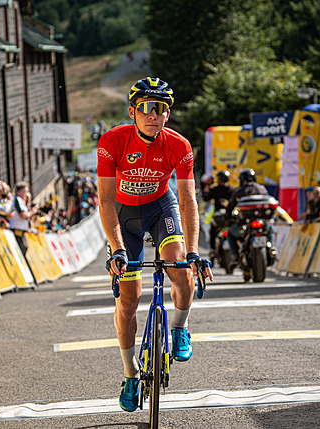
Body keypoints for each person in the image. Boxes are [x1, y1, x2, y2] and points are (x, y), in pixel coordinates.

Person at [97, 77, 213, 413]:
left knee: (181, 272)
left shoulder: (179, 145)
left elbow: (189, 200)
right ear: (133, 111)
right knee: (128, 301)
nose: (153, 114)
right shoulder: (112, 141)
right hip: (124, 215)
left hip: (161, 207)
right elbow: (104, 200)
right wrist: (117, 248)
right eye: (147, 108)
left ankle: (180, 327)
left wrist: (192, 251)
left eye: (160, 109)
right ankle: (130, 373)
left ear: (166, 114)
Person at [225, 168, 269, 258]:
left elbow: (230, 206)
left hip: (244, 223)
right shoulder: (261, 188)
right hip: (262, 221)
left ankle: (235, 256)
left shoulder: (239, 190)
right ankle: (271, 248)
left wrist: (227, 217)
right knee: (270, 229)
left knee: (230, 233)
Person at [202, 170, 234, 258]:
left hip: (221, 216)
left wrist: (206, 186)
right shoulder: (231, 189)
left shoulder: (216, 189)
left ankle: (212, 250)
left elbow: (206, 197)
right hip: (229, 216)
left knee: (213, 231)